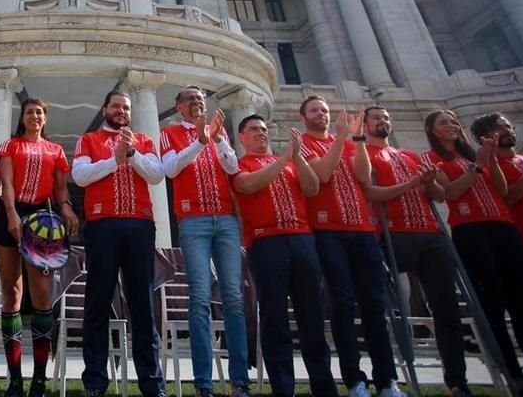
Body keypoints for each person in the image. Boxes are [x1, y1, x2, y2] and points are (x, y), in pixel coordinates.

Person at [362, 105, 472, 396]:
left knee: (446, 306)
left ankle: (456, 380)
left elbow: (438, 194)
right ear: (364, 125)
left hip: (429, 231)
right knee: (390, 304)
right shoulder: (364, 155)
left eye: (386, 118)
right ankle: (391, 375)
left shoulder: (410, 156)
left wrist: (427, 183)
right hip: (392, 233)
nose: (382, 122)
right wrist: (411, 184)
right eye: (376, 118)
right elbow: (370, 193)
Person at [297, 96, 403, 397]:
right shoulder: (302, 144)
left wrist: (356, 139)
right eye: (315, 110)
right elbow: (322, 174)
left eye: (325, 111)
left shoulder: (348, 141)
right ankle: (354, 379)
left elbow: (362, 176)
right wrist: (342, 136)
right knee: (342, 303)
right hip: (327, 230)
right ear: (303, 116)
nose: (322, 115)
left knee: (375, 304)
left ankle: (387, 380)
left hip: (362, 228)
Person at [424, 109, 523, 392]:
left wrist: (488, 162)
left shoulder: (476, 154)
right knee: (492, 305)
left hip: (504, 226)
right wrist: (477, 167)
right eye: (443, 123)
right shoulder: (433, 158)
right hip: (470, 229)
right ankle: (513, 373)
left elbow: (502, 191)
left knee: (522, 304)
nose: (451, 126)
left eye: (453, 121)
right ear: (432, 131)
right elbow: (451, 193)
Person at [231, 115, 336, 397]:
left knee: (312, 313)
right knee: (274, 315)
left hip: (302, 238)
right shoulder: (239, 165)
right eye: (254, 129)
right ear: (241, 137)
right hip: (266, 242)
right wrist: (283, 159)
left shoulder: (291, 163)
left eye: (264, 129)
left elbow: (312, 188)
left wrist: (297, 158)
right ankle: (283, 387)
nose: (261, 133)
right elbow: (250, 185)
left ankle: (323, 385)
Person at [72, 90, 166, 397]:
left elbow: (156, 175)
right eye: (116, 106)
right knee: (98, 302)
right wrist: (113, 160)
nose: (122, 111)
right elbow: (81, 176)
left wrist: (131, 154)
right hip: (102, 224)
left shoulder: (144, 140)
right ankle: (96, 382)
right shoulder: (89, 140)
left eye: (126, 107)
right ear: (105, 109)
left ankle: (152, 384)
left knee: (142, 304)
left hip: (139, 224)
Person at [159, 86, 250, 397]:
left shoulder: (218, 130)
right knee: (199, 298)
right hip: (193, 219)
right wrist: (199, 141)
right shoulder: (169, 133)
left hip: (225, 219)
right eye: (191, 99)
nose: (198, 103)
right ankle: (203, 383)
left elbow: (232, 167)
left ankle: (239, 381)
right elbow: (170, 169)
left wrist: (218, 138)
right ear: (179, 106)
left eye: (201, 99)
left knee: (234, 298)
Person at [0, 99, 78, 397]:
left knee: (42, 295)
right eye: (29, 112)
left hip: (43, 218)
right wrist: (13, 213)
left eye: (39, 112)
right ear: (23, 117)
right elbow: (7, 181)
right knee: (11, 293)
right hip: (9, 214)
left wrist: (66, 207)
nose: (34, 116)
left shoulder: (54, 150)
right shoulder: (10, 145)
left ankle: (39, 380)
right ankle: (15, 380)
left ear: (45, 118)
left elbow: (60, 186)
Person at [472, 113, 523, 256]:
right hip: (522, 241)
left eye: (508, 126)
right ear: (483, 137)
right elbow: (505, 200)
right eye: (498, 128)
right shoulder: (485, 168)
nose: (507, 130)